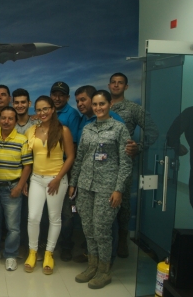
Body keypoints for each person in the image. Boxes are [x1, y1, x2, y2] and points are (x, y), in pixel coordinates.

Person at [70, 90, 132, 289]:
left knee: (102, 230)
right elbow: (80, 158)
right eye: (95, 104)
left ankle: (104, 271)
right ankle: (92, 266)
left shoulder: (119, 129)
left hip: (108, 188)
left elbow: (125, 163)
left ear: (110, 104)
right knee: (88, 229)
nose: (98, 108)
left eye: (102, 104)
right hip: (85, 185)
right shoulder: (87, 129)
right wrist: (73, 183)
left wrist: (119, 189)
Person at [108, 72, 158, 257]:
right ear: (108, 85)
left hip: (122, 163)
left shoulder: (133, 109)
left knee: (123, 203)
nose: (116, 85)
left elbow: (153, 131)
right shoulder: (101, 106)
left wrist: (139, 147)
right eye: (113, 82)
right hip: (100, 164)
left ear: (126, 87)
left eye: (120, 83)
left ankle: (122, 240)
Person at [23, 96, 74, 275]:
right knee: (33, 217)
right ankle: (32, 252)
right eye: (39, 110)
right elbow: (26, 158)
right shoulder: (31, 131)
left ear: (52, 109)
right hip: (36, 179)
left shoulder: (63, 130)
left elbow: (71, 157)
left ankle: (49, 254)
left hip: (56, 179)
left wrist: (58, 178)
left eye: (45, 109)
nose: (42, 113)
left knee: (54, 218)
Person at [0, 106, 33, 272]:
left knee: (13, 226)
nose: (6, 121)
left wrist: (19, 186)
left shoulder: (21, 140)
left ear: (16, 121)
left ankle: (10, 255)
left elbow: (27, 166)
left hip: (12, 188)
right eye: (3, 118)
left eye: (10, 118)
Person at [48, 81, 79, 262]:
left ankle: (66, 246)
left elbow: (72, 149)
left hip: (64, 172)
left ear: (67, 97)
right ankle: (48, 245)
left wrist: (67, 177)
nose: (57, 98)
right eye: (54, 94)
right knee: (47, 213)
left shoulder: (71, 115)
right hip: (44, 173)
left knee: (66, 213)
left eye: (61, 95)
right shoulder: (46, 113)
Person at [12, 88, 38, 256]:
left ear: (29, 104)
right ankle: (18, 246)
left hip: (34, 175)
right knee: (16, 215)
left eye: (23, 102)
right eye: (16, 102)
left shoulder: (37, 125)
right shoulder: (8, 123)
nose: (20, 105)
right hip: (13, 176)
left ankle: (34, 246)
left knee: (33, 214)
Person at [167, 106, 193, 212]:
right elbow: (172, 134)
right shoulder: (191, 112)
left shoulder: (191, 112)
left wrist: (176, 145)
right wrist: (176, 145)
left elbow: (172, 134)